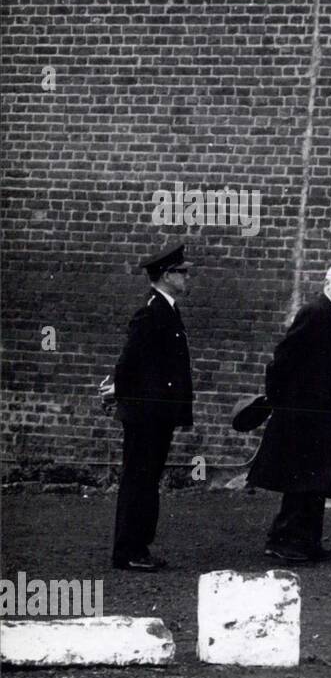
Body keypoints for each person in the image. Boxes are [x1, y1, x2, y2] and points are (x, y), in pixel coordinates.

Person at [248, 262, 331, 562]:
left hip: (327, 418)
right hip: (306, 417)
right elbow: (283, 358)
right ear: (328, 284)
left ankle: (308, 542)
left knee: (316, 481)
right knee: (301, 481)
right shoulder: (315, 313)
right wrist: (284, 402)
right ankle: (282, 541)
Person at [104, 243, 195, 570]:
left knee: (145, 479)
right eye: (182, 272)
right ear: (166, 275)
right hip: (147, 416)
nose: (187, 277)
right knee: (139, 480)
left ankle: (137, 547)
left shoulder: (165, 309)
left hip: (156, 414)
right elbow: (129, 364)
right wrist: (124, 394)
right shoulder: (152, 312)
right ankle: (129, 551)